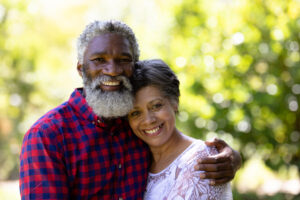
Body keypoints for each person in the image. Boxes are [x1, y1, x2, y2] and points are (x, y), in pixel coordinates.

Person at [19, 20, 241, 199]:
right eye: (99, 60)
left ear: (133, 66)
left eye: (123, 60)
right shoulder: (48, 136)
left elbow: (179, 152)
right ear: (81, 68)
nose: (113, 70)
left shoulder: (134, 123)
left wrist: (229, 158)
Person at [128, 59, 232, 199]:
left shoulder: (201, 161)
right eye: (136, 113)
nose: (148, 120)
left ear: (174, 102)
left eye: (156, 106)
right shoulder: (136, 161)